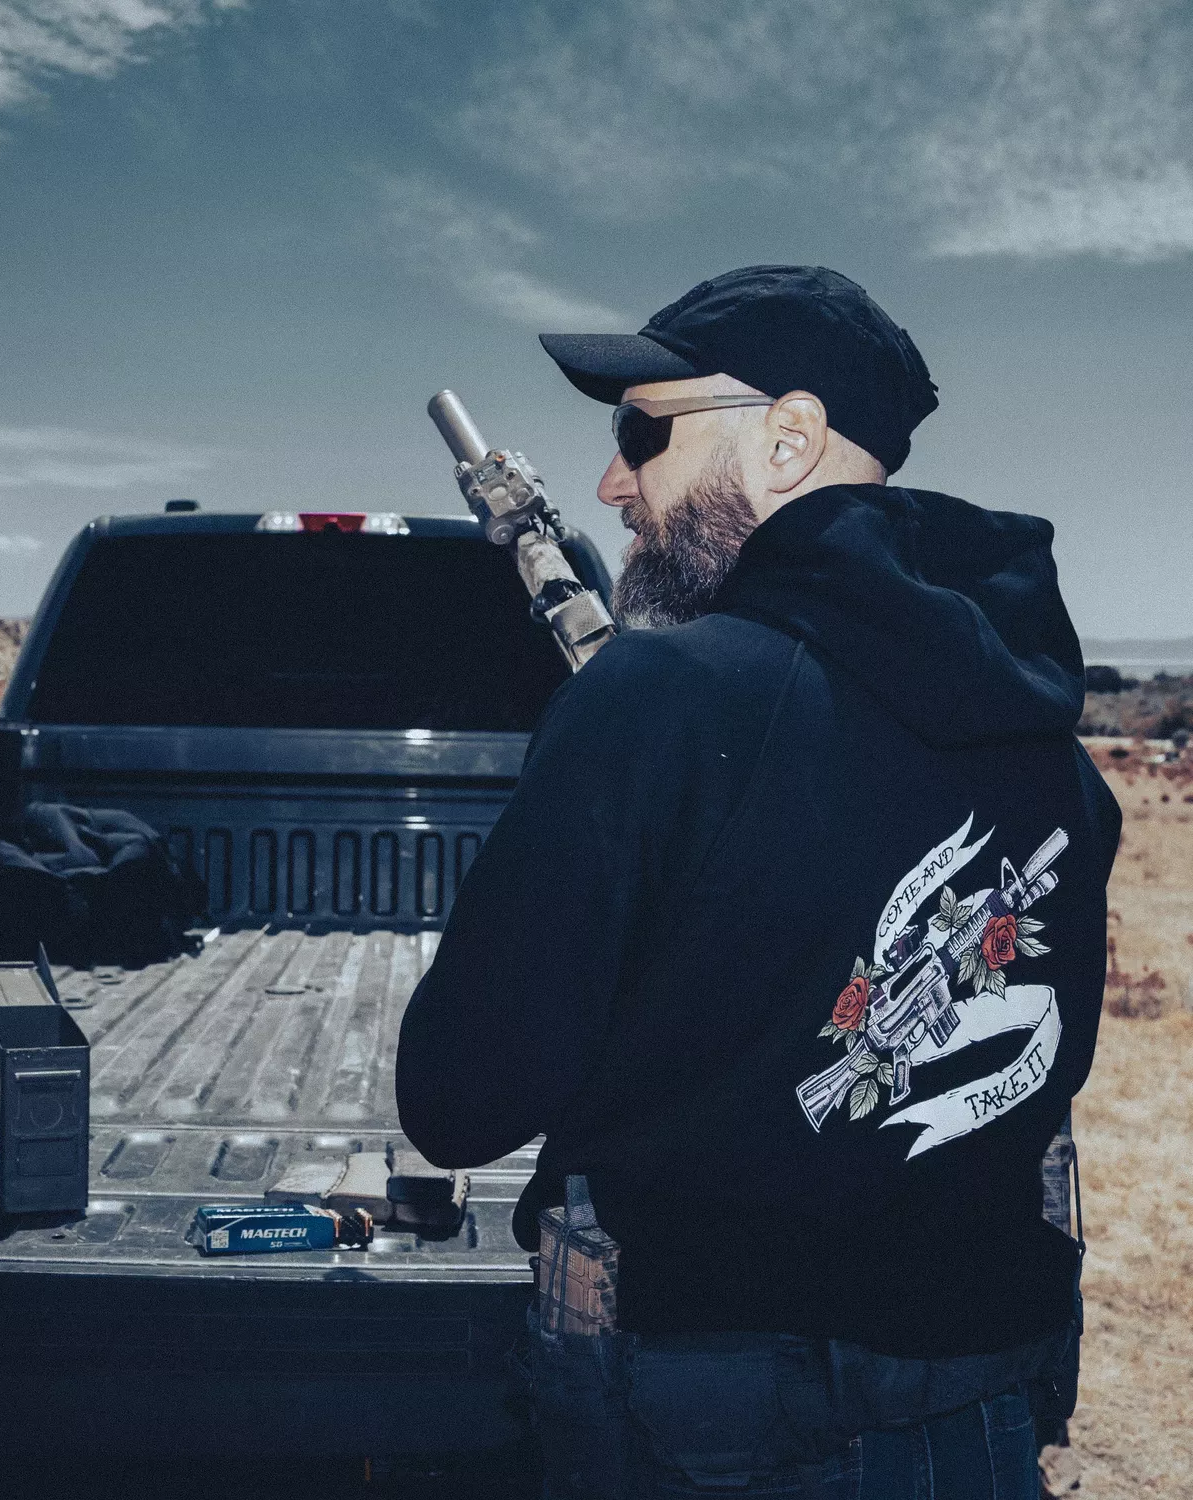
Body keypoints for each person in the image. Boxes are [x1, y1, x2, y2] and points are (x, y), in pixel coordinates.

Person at [396, 266, 1121, 1498]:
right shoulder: (1052, 754)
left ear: (788, 439)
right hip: (978, 1401)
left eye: (642, 433)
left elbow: (459, 1102)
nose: (612, 483)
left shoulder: (655, 703)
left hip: (697, 1419)